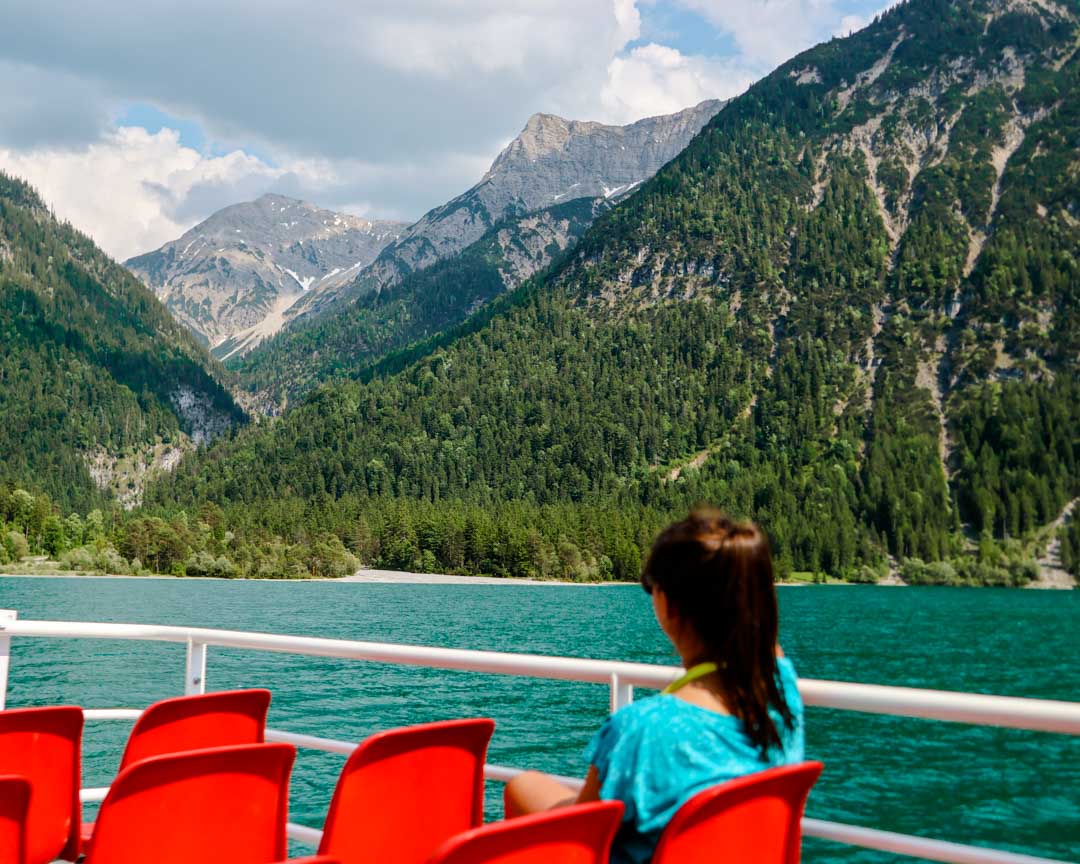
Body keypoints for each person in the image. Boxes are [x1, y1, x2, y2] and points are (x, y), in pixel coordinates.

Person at [503, 509, 805, 864]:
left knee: (522, 787)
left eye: (651, 586)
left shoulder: (641, 730)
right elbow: (767, 644)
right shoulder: (780, 699)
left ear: (667, 603)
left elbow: (582, 838)